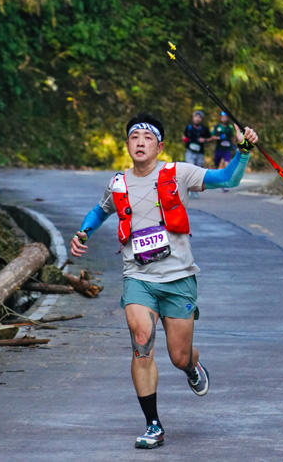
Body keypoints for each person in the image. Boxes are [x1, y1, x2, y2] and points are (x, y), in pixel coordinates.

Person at [70, 112, 258, 449]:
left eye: (148, 138)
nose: (140, 142)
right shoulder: (118, 183)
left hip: (178, 278)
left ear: (159, 146)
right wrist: (83, 231)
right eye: (134, 137)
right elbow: (100, 210)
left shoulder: (179, 173)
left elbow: (227, 179)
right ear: (127, 144)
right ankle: (153, 424)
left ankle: (192, 366)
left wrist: (242, 151)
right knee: (141, 341)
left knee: (178, 356)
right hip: (138, 277)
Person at [182, 110, 212, 198]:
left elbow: (210, 138)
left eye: (199, 117)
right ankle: (188, 189)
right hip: (190, 151)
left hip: (200, 153)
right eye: (196, 117)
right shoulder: (189, 128)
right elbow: (184, 136)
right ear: (193, 118)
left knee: (197, 172)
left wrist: (204, 140)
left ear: (201, 119)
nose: (197, 119)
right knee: (190, 169)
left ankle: (195, 190)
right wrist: (185, 140)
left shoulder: (204, 129)